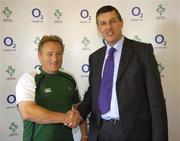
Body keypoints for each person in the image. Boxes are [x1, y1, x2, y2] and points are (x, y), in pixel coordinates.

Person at [76, 5, 168, 141]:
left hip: (134, 131)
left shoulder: (142, 52)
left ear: (121, 23)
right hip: (101, 130)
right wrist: (78, 113)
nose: (108, 27)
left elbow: (156, 101)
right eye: (103, 23)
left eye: (112, 21)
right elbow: (93, 92)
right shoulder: (95, 57)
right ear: (99, 28)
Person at [16, 35, 88, 141]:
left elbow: (78, 109)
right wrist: (65, 117)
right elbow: (27, 111)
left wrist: (84, 135)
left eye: (59, 54)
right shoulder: (29, 78)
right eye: (50, 54)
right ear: (39, 55)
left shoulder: (69, 78)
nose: (55, 59)